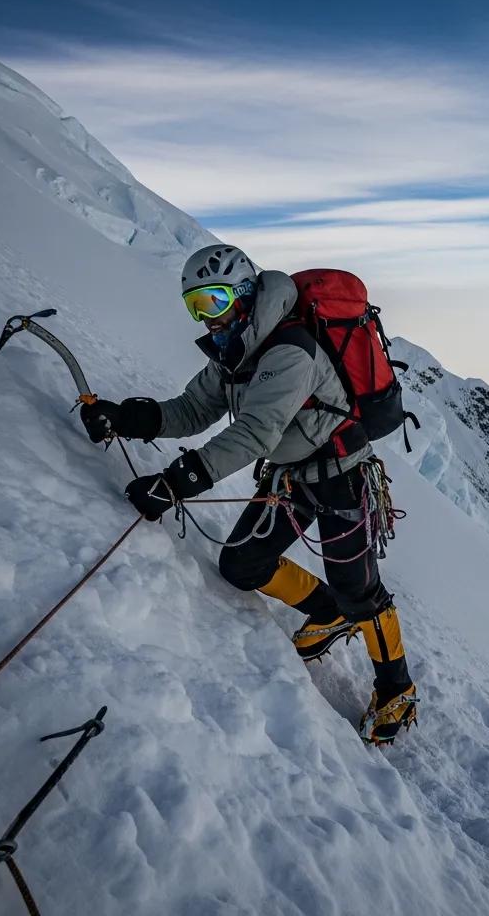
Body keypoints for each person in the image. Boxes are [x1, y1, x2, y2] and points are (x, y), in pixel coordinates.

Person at [80, 244, 417, 745]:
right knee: (242, 563)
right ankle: (328, 613)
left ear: (242, 295)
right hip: (291, 476)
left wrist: (176, 482)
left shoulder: (289, 349)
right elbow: (191, 409)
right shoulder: (235, 352)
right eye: (196, 307)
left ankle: (397, 688)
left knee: (359, 588)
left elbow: (255, 432)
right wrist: (124, 418)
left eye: (213, 302)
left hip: (344, 475)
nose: (206, 318)